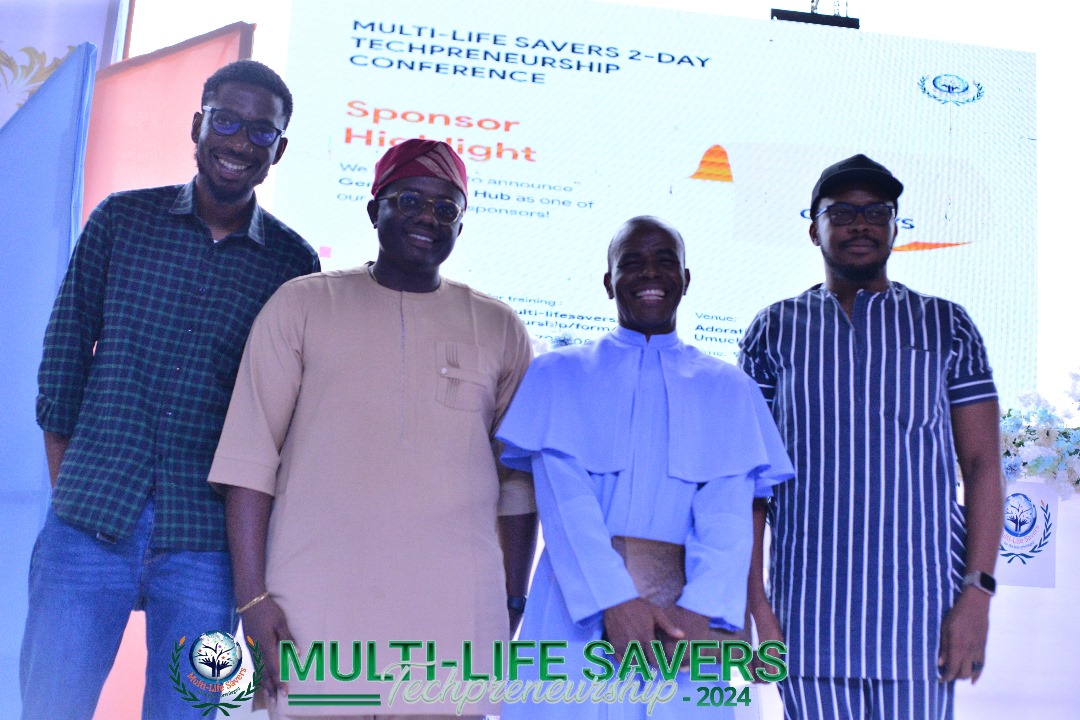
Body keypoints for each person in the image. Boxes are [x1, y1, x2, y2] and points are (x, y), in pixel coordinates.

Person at [22, 60, 319, 719]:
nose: (240, 142)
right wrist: (74, 496)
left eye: (261, 132)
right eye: (227, 121)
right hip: (86, 526)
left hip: (205, 546)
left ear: (280, 149)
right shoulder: (122, 222)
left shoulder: (293, 266)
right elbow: (62, 363)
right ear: (198, 124)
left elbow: (284, 422)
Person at [207, 138, 538, 719]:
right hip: (314, 611)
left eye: (446, 208)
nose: (427, 218)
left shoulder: (499, 327)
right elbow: (248, 462)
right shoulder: (302, 306)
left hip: (451, 618)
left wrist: (511, 602)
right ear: (374, 210)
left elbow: (518, 487)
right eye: (409, 199)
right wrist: (252, 600)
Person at [739, 155, 1005, 719]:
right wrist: (754, 601)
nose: (861, 224)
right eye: (843, 212)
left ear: (894, 227)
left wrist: (977, 596)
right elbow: (749, 479)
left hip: (923, 620)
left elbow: (982, 464)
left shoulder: (945, 324)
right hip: (807, 617)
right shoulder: (773, 330)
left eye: (877, 212)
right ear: (814, 228)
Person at [496, 216, 794, 719]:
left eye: (664, 261)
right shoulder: (559, 374)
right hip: (577, 616)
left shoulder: (728, 388)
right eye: (631, 262)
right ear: (609, 280)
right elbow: (566, 506)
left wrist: (699, 611)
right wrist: (613, 602)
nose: (649, 273)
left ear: (685, 277)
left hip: (686, 631)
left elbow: (727, 517)